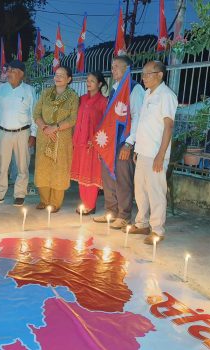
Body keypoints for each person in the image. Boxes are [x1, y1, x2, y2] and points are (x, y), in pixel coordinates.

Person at [93, 55, 145, 229]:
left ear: (127, 69)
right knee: (108, 178)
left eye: (116, 67)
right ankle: (111, 211)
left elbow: (138, 117)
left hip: (124, 141)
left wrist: (129, 143)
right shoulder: (114, 89)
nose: (113, 70)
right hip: (110, 142)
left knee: (123, 179)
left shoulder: (134, 89)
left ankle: (124, 215)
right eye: (112, 66)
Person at [131, 60, 178, 245]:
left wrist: (160, 155)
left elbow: (168, 127)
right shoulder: (147, 94)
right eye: (143, 74)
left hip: (156, 154)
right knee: (140, 191)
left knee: (156, 192)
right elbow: (144, 124)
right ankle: (142, 223)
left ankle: (157, 230)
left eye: (148, 74)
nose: (144, 78)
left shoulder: (166, 95)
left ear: (160, 75)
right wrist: (137, 149)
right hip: (143, 152)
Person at [0, 60, 37, 207]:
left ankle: (20, 194)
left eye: (12, 70)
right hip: (3, 132)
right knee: (2, 165)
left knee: (22, 165)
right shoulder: (1, 90)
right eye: (8, 70)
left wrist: (33, 134)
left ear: (21, 74)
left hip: (23, 132)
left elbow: (34, 113)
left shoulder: (29, 90)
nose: (8, 73)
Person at [33, 66, 79, 212]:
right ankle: (44, 200)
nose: (57, 77)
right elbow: (36, 113)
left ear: (69, 79)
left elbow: (73, 119)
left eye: (61, 75)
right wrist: (46, 128)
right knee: (43, 167)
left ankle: (55, 203)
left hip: (62, 138)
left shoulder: (72, 97)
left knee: (59, 169)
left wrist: (56, 127)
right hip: (44, 136)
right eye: (56, 74)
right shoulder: (46, 93)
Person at [70, 72, 108, 215]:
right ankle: (84, 202)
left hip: (93, 143)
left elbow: (105, 123)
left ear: (99, 84)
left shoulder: (103, 101)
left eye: (92, 81)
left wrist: (96, 140)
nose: (88, 82)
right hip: (79, 142)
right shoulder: (82, 99)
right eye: (87, 80)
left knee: (91, 173)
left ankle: (90, 205)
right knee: (81, 173)